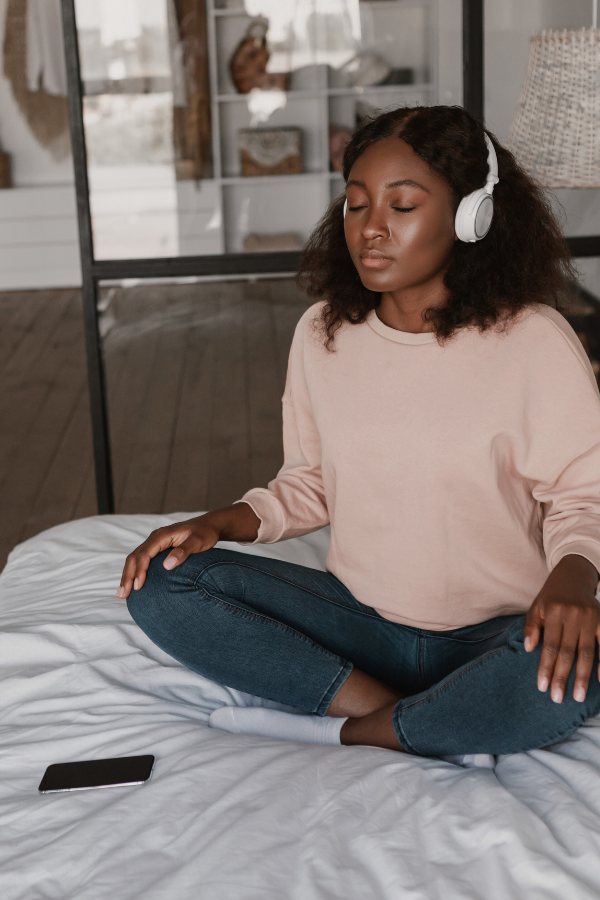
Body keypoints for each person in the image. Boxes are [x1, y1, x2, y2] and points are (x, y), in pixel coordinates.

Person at [119, 105, 600, 760]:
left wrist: (572, 581)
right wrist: (220, 524)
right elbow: (311, 481)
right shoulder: (324, 333)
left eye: (402, 206)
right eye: (355, 204)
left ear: (471, 216)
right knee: (160, 581)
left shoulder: (535, 340)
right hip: (362, 626)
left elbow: (582, 496)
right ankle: (402, 716)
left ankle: (352, 728)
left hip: (499, 634)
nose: (372, 229)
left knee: (575, 673)